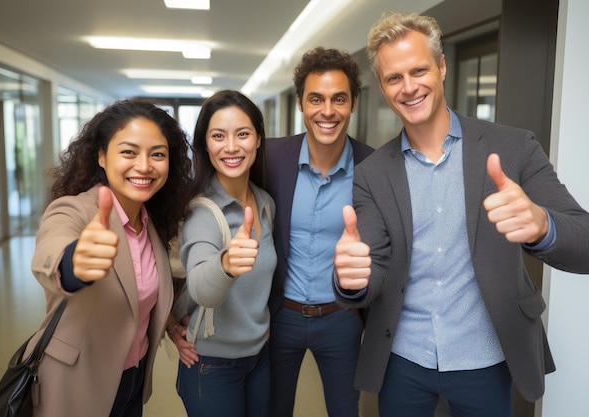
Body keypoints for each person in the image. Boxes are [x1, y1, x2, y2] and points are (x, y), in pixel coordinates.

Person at [333, 11, 589, 417]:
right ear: (383, 87)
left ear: (441, 67)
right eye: (394, 78)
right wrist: (351, 279)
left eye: (419, 70)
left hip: (486, 359)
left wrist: (542, 225)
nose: (409, 88)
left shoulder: (513, 148)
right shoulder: (373, 174)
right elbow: (369, 267)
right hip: (403, 360)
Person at [27, 98, 193, 417]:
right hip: (76, 385)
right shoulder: (76, 210)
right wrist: (75, 262)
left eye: (157, 154)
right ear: (102, 156)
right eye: (128, 152)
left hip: (132, 381)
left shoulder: (150, 222)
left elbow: (138, 294)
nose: (144, 166)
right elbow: (52, 250)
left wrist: (170, 324)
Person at [266, 47, 375, 417]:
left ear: (353, 103)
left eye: (338, 99)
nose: (327, 111)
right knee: (273, 409)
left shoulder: (375, 167)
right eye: (316, 98)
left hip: (343, 318)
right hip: (281, 315)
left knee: (346, 410)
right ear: (300, 103)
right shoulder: (269, 158)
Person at [168, 89, 276, 417]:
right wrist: (227, 264)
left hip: (259, 356)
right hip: (211, 366)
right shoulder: (202, 213)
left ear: (258, 138)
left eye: (242, 134)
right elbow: (201, 285)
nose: (231, 146)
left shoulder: (265, 202)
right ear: (205, 145)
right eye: (218, 136)